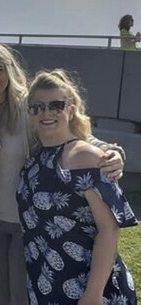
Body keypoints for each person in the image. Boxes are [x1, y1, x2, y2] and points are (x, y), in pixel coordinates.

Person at [0, 42, 128, 305]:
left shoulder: (29, 108)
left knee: (21, 296)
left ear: (11, 70)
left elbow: (71, 134)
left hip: (26, 225)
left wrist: (111, 151)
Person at [17, 69, 138, 305]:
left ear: (71, 109)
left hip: (90, 289)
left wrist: (93, 294)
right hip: (47, 285)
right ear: (30, 114)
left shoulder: (86, 158)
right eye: (37, 107)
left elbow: (109, 229)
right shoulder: (35, 160)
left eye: (56, 105)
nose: (46, 112)